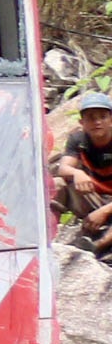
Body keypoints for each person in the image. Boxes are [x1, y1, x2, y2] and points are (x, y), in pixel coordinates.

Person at [51, 90, 112, 259]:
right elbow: (64, 168)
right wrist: (76, 172)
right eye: (91, 118)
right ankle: (47, 237)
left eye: (102, 117)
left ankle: (96, 246)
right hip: (94, 197)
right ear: (82, 122)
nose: (97, 122)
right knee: (57, 184)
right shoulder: (78, 140)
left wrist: (104, 211)